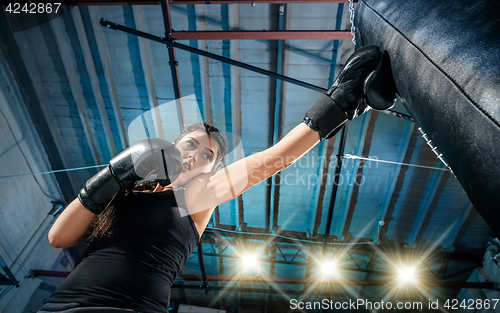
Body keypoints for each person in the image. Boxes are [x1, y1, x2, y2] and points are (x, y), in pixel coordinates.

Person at [38, 45, 392, 313]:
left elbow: (267, 162)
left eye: (207, 156)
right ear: (172, 145)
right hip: (64, 306)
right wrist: (113, 176)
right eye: (190, 145)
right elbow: (59, 237)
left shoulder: (196, 198)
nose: (195, 156)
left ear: (210, 170)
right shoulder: (125, 192)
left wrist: (340, 102)